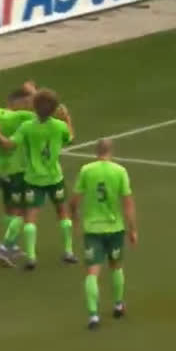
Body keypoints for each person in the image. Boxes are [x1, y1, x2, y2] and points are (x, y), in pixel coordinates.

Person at [0, 89, 76, 269]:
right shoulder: (59, 126)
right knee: (63, 213)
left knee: (30, 217)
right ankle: (68, 251)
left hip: (33, 179)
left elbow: (9, 144)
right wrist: (67, 119)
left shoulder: (27, 127)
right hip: (55, 177)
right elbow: (70, 138)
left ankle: (31, 257)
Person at [69, 139, 138, 330]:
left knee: (92, 272)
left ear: (96, 151)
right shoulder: (120, 171)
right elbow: (128, 204)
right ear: (111, 151)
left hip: (92, 230)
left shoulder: (86, 170)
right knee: (116, 266)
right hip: (115, 228)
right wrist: (132, 229)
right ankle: (118, 305)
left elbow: (74, 202)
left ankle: (93, 316)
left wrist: (75, 219)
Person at [0, 87, 38, 266]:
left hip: (1, 170)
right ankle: (4, 247)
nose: (28, 105)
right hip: (16, 171)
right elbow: (43, 110)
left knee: (9, 209)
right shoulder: (21, 117)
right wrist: (34, 92)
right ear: (19, 103)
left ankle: (12, 246)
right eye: (26, 103)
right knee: (23, 212)